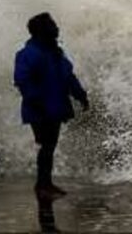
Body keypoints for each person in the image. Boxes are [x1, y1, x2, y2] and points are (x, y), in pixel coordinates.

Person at [14, 12, 89, 199]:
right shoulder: (28, 54)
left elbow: (69, 77)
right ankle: (42, 185)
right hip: (39, 107)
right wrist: (36, 101)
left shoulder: (54, 53)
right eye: (53, 25)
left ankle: (45, 184)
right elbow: (22, 79)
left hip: (54, 106)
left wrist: (81, 96)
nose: (57, 28)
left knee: (49, 145)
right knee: (46, 145)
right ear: (42, 30)